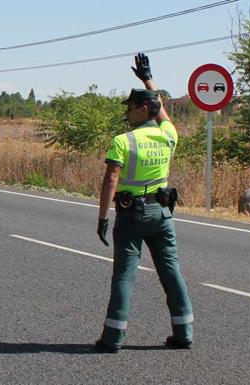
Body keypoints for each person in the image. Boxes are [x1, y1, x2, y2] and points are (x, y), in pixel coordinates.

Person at [94, 53, 193, 353]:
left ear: (142, 108)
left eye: (130, 108)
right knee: (171, 271)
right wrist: (149, 79)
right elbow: (162, 110)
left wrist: (102, 218)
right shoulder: (168, 134)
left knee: (125, 275)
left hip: (132, 214)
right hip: (162, 214)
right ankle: (184, 333)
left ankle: (113, 338)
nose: (126, 113)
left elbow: (111, 178)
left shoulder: (123, 141)